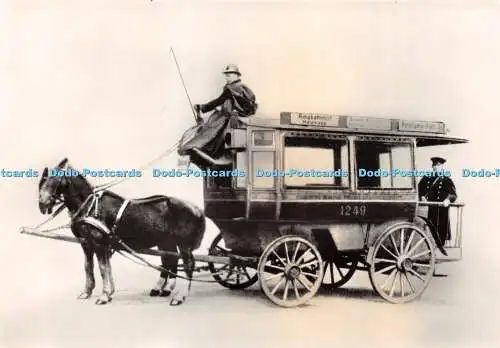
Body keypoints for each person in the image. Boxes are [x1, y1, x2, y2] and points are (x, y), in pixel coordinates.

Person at [193, 64, 257, 127]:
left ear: (236, 75)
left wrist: (202, 107)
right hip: (244, 117)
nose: (227, 78)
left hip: (235, 119)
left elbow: (219, 100)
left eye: (229, 76)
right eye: (226, 76)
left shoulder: (232, 88)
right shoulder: (242, 86)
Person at [418, 157, 457, 258]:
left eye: (438, 165)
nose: (435, 167)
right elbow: (419, 189)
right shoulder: (427, 178)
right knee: (427, 234)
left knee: (439, 235)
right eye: (434, 165)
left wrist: (448, 200)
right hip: (429, 211)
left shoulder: (446, 180)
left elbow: (453, 194)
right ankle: (427, 257)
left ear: (442, 166)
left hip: (441, 213)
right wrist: (422, 196)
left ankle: (437, 257)